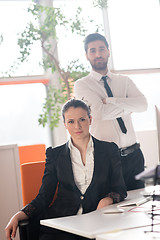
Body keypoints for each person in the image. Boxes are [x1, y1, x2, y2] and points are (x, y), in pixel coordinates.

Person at [5, 99, 126, 240]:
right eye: (71, 121)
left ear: (90, 120)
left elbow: (120, 188)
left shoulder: (109, 149)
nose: (77, 126)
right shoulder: (55, 155)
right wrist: (18, 214)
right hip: (61, 226)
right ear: (65, 124)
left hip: (97, 223)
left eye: (82, 119)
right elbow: (44, 197)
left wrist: (107, 199)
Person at [74, 33, 148, 191]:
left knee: (140, 205)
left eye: (101, 49)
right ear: (86, 56)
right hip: (107, 159)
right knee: (111, 208)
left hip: (134, 155)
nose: (98, 54)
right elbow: (99, 114)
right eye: (93, 51)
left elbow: (142, 105)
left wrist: (112, 101)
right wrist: (128, 106)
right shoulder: (82, 85)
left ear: (108, 51)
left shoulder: (124, 81)